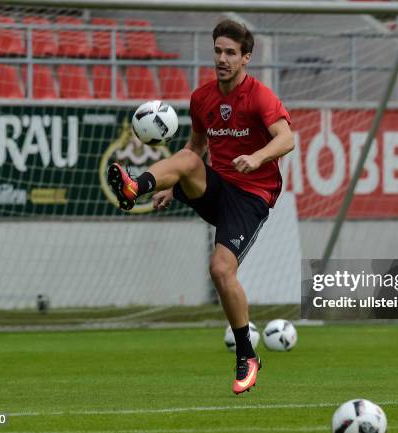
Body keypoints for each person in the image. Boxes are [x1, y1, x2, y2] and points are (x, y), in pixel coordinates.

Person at [107, 19, 294, 395]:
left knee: (220, 270)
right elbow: (194, 149)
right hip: (217, 187)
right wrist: (169, 185)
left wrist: (257, 158)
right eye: (218, 51)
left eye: (230, 53)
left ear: (246, 58)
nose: (222, 59)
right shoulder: (202, 98)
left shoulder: (260, 97)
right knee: (188, 162)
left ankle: (247, 354)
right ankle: (135, 187)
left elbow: (286, 139)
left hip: (251, 197)